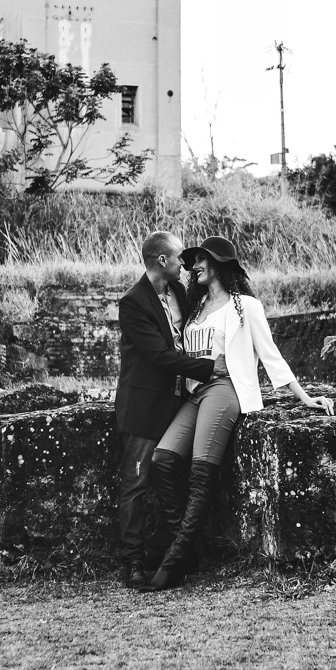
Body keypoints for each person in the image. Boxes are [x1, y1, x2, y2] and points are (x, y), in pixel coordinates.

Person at [140, 236, 334, 592]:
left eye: (200, 260)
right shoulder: (196, 308)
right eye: (192, 261)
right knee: (163, 460)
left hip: (226, 389)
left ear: (219, 264)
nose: (193, 266)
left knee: (200, 475)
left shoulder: (245, 306)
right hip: (195, 394)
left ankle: (172, 562)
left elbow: (270, 354)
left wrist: (305, 398)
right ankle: (188, 555)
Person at [113, 231, 228, 589]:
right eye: (180, 257)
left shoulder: (180, 292)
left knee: (171, 472)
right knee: (135, 483)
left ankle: (172, 553)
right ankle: (133, 562)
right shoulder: (133, 302)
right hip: (145, 405)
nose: (187, 264)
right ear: (162, 260)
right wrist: (211, 368)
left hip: (181, 401)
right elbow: (160, 357)